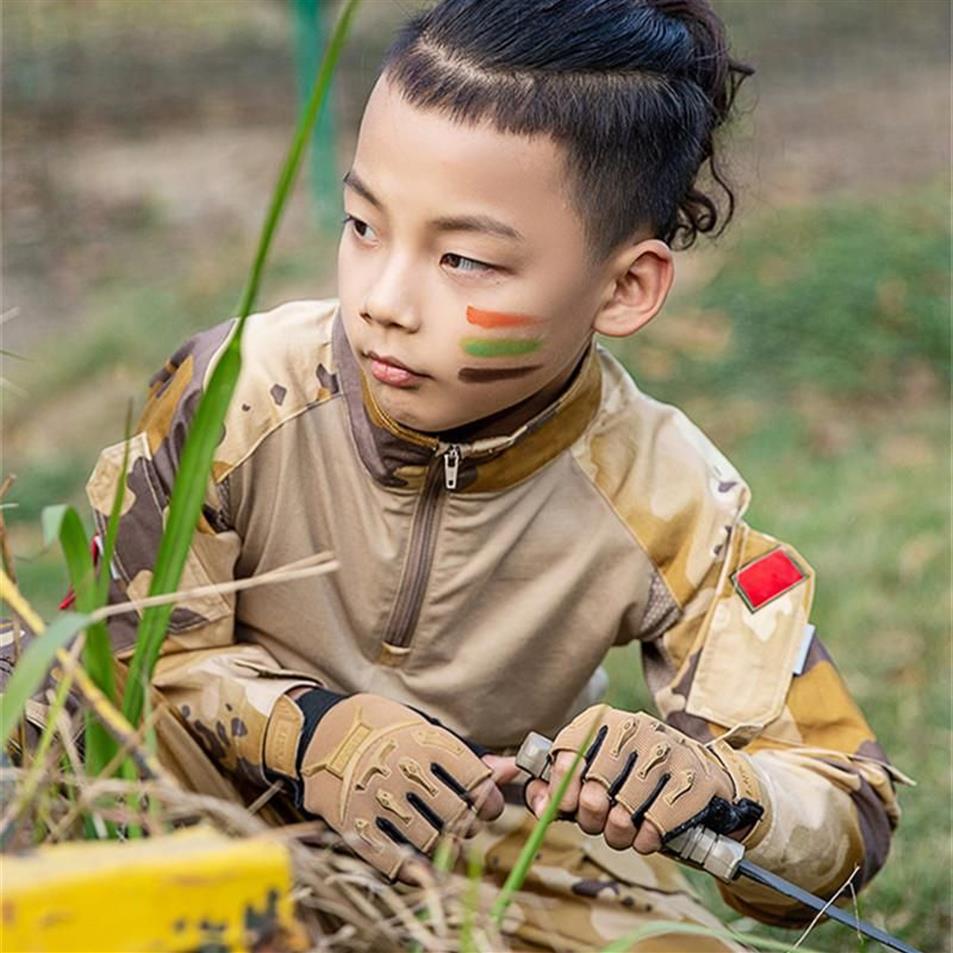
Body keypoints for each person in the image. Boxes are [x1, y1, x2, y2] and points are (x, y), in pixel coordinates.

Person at [81, 0, 903, 948]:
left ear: (625, 286)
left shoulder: (673, 499)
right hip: (202, 818)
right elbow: (126, 664)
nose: (382, 301)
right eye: (362, 225)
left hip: (473, 856)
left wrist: (719, 789)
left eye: (464, 258)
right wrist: (313, 732)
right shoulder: (230, 394)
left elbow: (849, 813)